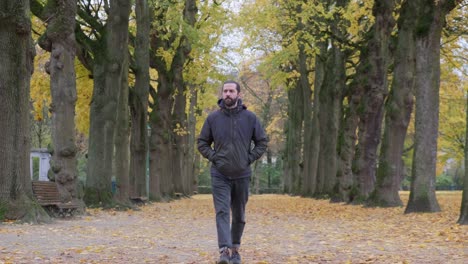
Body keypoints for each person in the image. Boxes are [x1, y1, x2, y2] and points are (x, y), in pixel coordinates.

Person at [197, 80, 268, 264]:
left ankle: (235, 250)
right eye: (225, 91)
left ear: (238, 94)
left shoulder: (250, 118)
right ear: (222, 94)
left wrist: (249, 158)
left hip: (242, 174)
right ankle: (224, 251)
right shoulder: (213, 118)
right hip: (219, 174)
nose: (227, 94)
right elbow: (202, 142)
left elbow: (262, 142)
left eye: (231, 91)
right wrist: (215, 157)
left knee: (239, 215)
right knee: (222, 212)